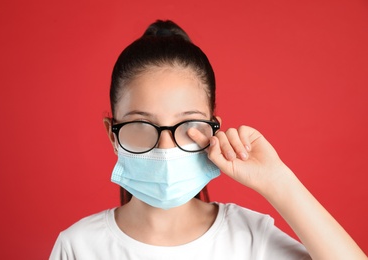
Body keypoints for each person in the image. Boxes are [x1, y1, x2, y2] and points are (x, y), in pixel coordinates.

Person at [50, 20, 366, 259]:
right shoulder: (78, 246)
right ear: (112, 133)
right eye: (141, 125)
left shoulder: (250, 238)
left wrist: (278, 181)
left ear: (213, 131)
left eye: (186, 124)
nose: (165, 148)